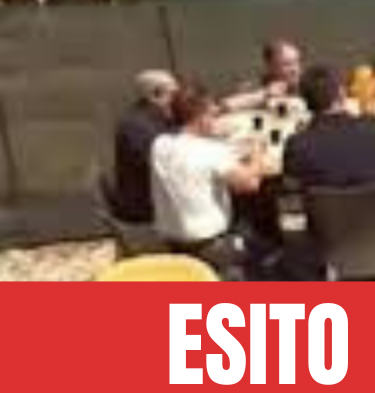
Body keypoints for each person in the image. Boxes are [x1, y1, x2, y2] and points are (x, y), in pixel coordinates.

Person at [150, 84, 268, 280]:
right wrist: (258, 153)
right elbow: (250, 184)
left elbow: (193, 159)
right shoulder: (211, 151)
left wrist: (225, 147)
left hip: (172, 240)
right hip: (209, 245)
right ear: (201, 117)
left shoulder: (159, 144)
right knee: (262, 249)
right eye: (212, 114)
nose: (215, 119)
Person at [284, 65, 375, 190]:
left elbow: (290, 185)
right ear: (342, 93)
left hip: (325, 203)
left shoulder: (297, 143)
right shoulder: (373, 126)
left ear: (305, 102)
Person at [109, 70, 178, 224]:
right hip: (144, 206)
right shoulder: (137, 126)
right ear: (155, 96)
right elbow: (165, 167)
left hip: (152, 196)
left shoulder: (152, 117)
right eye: (173, 95)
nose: (178, 100)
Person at [221, 38, 304, 111]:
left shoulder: (306, 87)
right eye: (287, 64)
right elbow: (223, 106)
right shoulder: (254, 88)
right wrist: (265, 94)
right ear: (270, 66)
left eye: (297, 62)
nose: (295, 69)